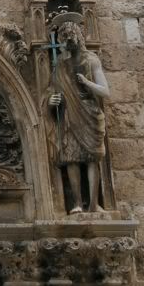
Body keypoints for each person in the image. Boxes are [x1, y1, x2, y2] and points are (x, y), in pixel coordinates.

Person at [47, 13, 110, 213]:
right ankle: (76, 203)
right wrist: (51, 101)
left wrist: (86, 82)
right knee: (71, 157)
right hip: (68, 114)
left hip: (89, 112)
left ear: (78, 35)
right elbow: (52, 89)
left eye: (70, 34)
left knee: (92, 157)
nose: (68, 38)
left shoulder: (91, 60)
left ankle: (94, 204)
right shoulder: (60, 64)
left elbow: (105, 91)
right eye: (64, 35)